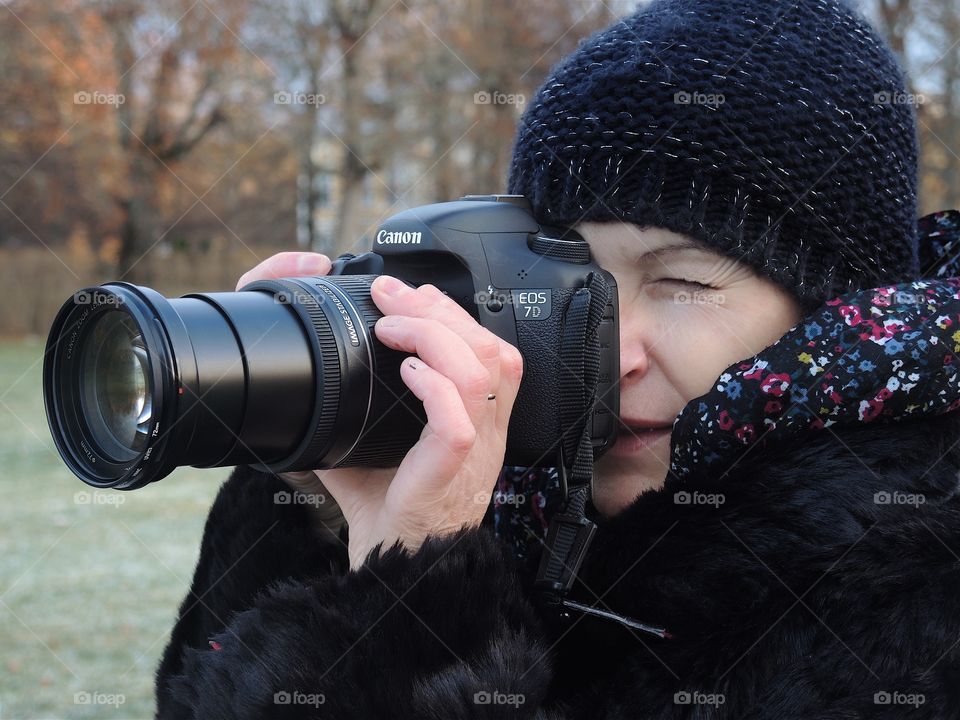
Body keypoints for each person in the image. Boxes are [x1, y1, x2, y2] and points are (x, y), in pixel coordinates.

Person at [154, 0, 960, 717]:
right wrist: (318, 503)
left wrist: (417, 613)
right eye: (568, 284)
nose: (607, 356)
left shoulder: (909, 590)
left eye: (680, 281)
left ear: (839, 308)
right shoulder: (497, 481)